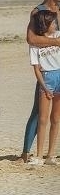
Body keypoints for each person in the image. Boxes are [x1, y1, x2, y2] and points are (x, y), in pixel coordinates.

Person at [20, 0, 60, 162]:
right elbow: (31, 39)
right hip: (46, 69)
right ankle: (27, 152)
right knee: (38, 113)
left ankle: (49, 153)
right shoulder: (38, 12)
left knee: (53, 116)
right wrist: (56, 43)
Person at [28, 9, 60, 165]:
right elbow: (36, 68)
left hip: (59, 75)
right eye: (53, 22)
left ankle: (51, 155)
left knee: (56, 118)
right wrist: (45, 87)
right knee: (42, 118)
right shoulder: (35, 44)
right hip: (46, 78)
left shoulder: (57, 36)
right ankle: (39, 156)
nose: (55, 24)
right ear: (45, 25)